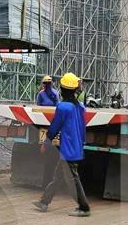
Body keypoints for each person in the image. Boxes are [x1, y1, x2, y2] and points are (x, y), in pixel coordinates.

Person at [32, 72, 90, 217]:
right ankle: (44, 202)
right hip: (75, 147)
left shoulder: (63, 107)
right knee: (58, 176)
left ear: (62, 90)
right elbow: (82, 128)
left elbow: (54, 127)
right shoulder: (80, 107)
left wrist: (46, 142)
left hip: (68, 149)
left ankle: (84, 207)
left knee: (73, 180)